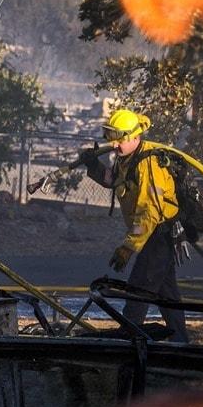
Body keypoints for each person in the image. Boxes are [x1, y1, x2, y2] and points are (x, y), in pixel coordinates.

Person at [83, 108, 189, 342]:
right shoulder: (127, 159)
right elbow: (114, 181)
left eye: (120, 139)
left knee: (138, 293)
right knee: (167, 295)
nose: (115, 144)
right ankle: (181, 343)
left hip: (158, 235)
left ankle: (128, 342)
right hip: (154, 235)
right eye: (112, 138)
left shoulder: (149, 164)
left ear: (135, 137)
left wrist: (127, 248)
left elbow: (148, 213)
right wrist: (93, 166)